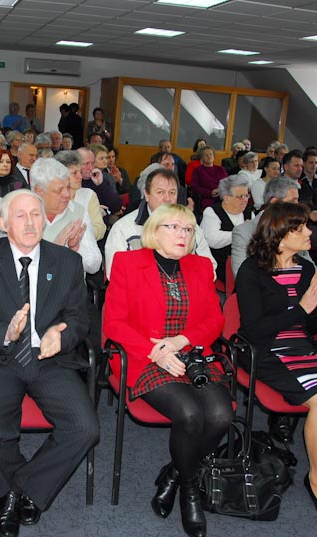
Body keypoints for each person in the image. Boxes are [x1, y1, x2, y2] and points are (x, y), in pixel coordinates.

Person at [0, 189, 99, 537]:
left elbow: (80, 319)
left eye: (36, 214)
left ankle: (20, 489)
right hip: (0, 357)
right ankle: (12, 490)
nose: (31, 222)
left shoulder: (66, 261)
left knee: (85, 429)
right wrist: (4, 331)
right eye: (20, 215)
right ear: (4, 223)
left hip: (50, 359)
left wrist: (61, 336)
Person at [104, 204, 233, 537]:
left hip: (190, 353)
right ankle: (190, 492)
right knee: (190, 414)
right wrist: (156, 352)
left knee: (221, 416)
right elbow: (113, 323)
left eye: (188, 229)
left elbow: (215, 320)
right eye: (173, 227)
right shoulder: (127, 263)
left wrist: (181, 340)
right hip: (145, 357)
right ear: (154, 231)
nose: (183, 235)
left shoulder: (200, 266)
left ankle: (175, 473)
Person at [237, 202, 317, 518]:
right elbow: (255, 330)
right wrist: (302, 307)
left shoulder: (305, 269)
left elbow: (312, 327)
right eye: (300, 228)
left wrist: (315, 300)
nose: (309, 233)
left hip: (300, 346)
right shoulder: (251, 271)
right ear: (279, 233)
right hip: (266, 352)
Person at [105, 166, 214, 278]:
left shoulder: (189, 227)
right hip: (140, 288)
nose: (167, 198)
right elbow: (114, 273)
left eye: (172, 193)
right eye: (160, 192)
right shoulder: (124, 228)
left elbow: (210, 269)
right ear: (147, 194)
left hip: (184, 286)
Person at [231, 177, 301, 276]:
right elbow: (241, 276)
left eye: (298, 201)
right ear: (274, 203)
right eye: (292, 201)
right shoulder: (244, 233)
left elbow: (310, 269)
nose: (298, 206)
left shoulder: (296, 228)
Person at [200, 175, 254, 282]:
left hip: (247, 262)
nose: (245, 200)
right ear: (226, 198)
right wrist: (240, 233)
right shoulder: (212, 212)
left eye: (246, 195)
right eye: (240, 196)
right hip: (221, 265)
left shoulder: (249, 213)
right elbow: (212, 239)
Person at [190, 146, 227, 212]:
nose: (209, 156)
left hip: (222, 196)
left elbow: (227, 183)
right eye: (206, 155)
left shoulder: (221, 169)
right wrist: (210, 193)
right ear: (201, 158)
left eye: (211, 154)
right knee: (211, 208)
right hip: (206, 197)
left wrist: (220, 191)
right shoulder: (198, 170)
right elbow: (194, 187)